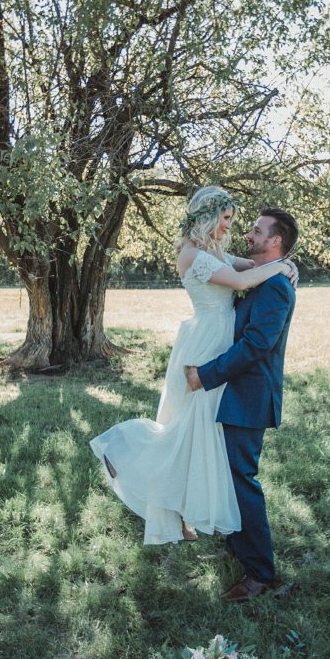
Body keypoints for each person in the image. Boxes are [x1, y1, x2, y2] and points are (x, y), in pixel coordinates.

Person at [88, 186, 297, 546]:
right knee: (186, 430)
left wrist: (284, 263)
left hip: (219, 339)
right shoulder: (192, 254)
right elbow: (245, 279)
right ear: (209, 217)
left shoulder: (214, 251)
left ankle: (202, 517)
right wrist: (282, 265)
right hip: (207, 342)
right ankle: (123, 451)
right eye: (227, 219)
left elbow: (250, 265)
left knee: (199, 435)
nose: (233, 227)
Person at [184, 206, 298, 602]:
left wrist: (206, 374)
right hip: (234, 392)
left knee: (241, 480)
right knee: (229, 474)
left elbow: (255, 347)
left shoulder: (277, 287)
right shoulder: (263, 278)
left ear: (275, 241)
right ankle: (238, 545)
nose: (248, 235)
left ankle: (260, 573)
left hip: (249, 394)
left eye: (256, 231)